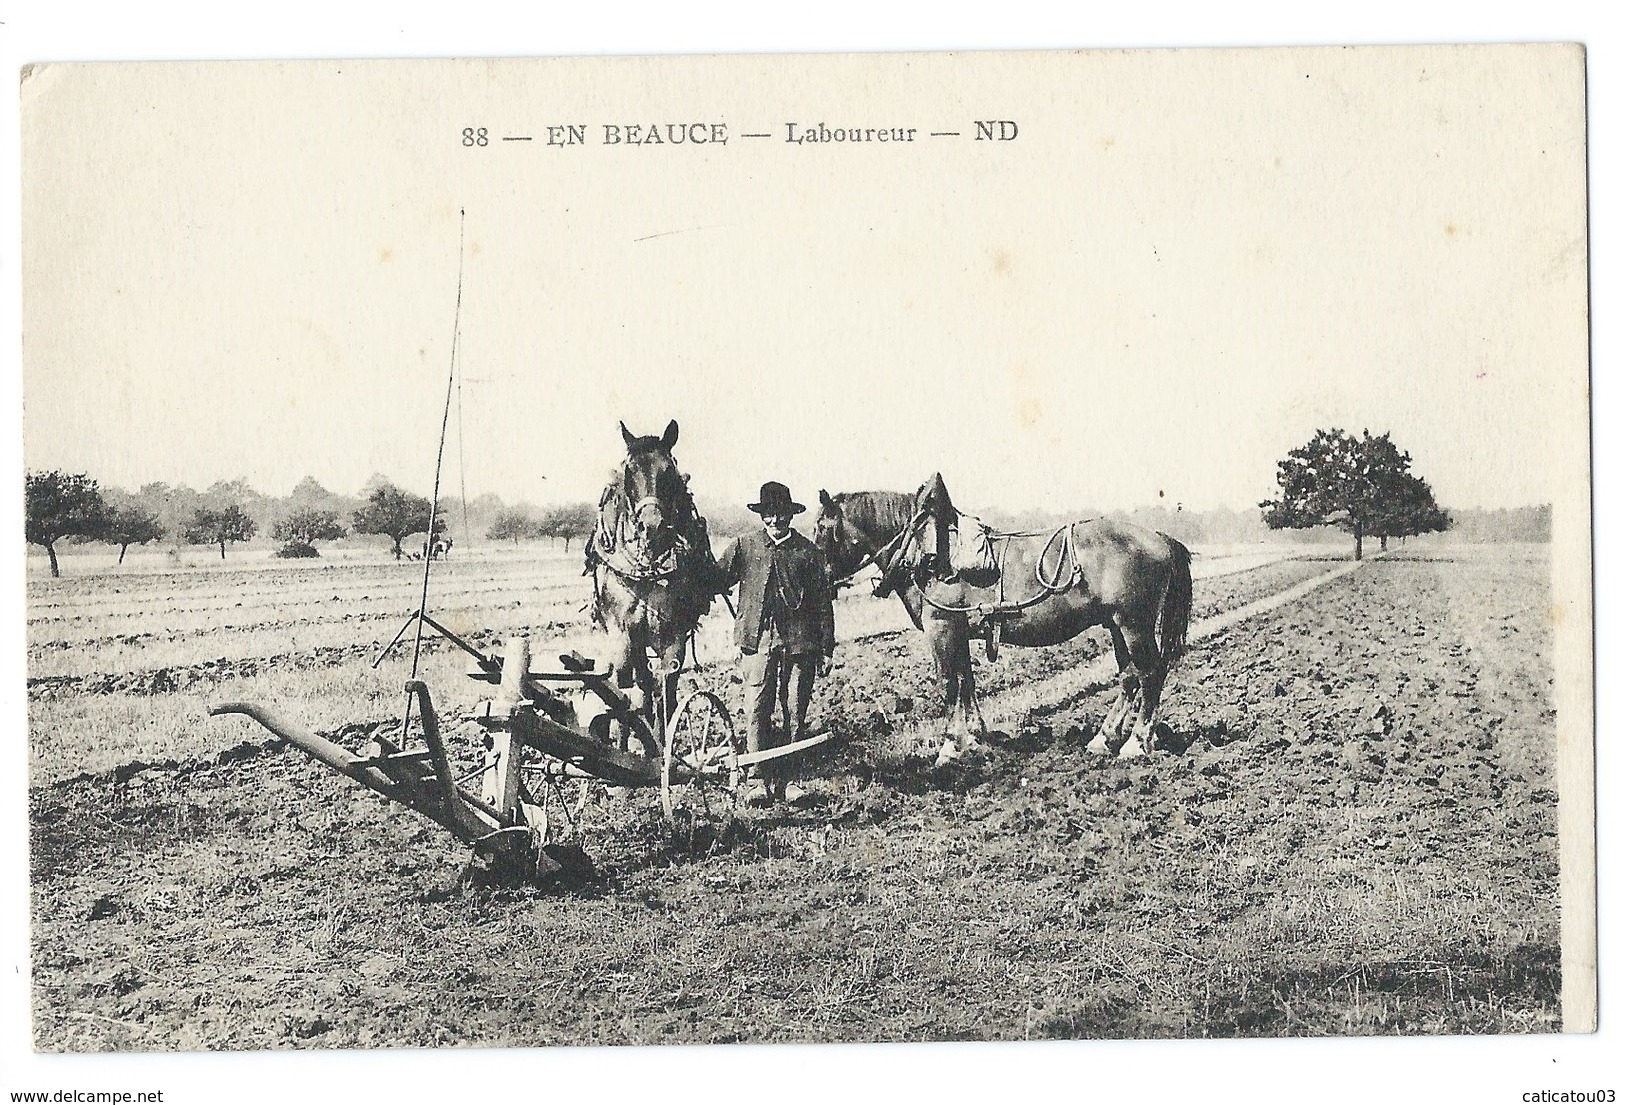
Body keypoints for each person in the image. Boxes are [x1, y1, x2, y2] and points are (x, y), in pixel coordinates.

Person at [715, 481, 836, 805]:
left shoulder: (808, 552)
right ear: (762, 515)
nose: (775, 521)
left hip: (801, 643)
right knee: (757, 708)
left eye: (781, 514)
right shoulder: (743, 547)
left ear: (790, 515)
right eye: (769, 514)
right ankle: (757, 779)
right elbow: (714, 580)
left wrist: (826, 647)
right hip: (758, 641)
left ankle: (792, 779)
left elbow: (823, 603)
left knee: (795, 709)